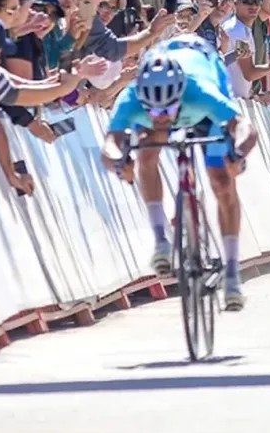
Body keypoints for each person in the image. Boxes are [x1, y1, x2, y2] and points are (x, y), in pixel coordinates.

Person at [101, 35, 259, 311]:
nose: (161, 117)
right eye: (154, 110)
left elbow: (244, 126)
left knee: (222, 180)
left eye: (169, 109)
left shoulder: (201, 90)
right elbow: (110, 144)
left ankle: (233, 274)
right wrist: (118, 163)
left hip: (203, 84)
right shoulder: (133, 97)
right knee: (145, 153)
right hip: (165, 67)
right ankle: (161, 240)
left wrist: (238, 155)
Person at [223, 0, 270, 99]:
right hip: (231, 100)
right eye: (248, 1)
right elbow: (249, 73)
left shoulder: (243, 29)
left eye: (258, 1)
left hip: (236, 99)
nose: (254, 6)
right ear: (236, 4)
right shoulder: (236, 30)